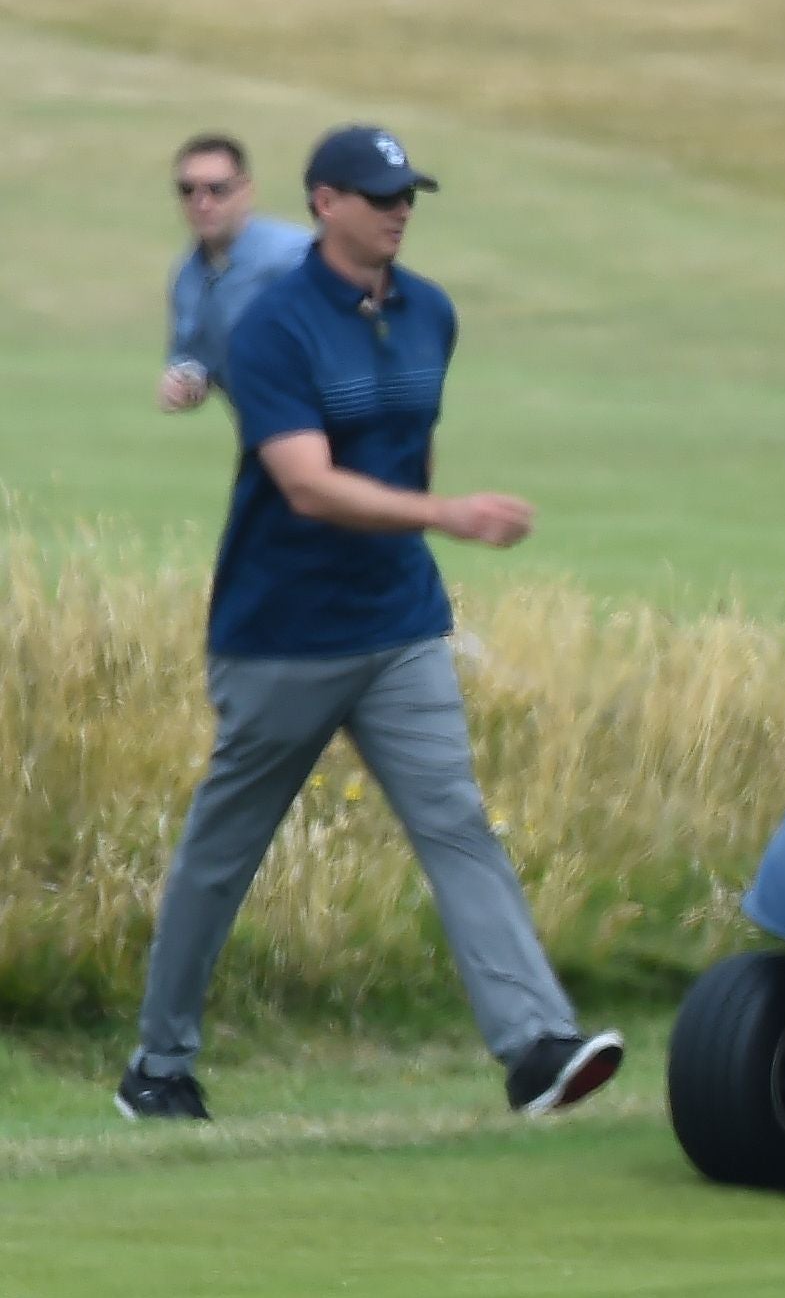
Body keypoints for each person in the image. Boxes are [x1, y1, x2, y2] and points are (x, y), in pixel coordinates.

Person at [120, 127, 622, 1126]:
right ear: (322, 202)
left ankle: (535, 1048)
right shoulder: (271, 327)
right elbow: (305, 484)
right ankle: (158, 1067)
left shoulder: (431, 310)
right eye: (379, 193)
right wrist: (448, 520)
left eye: (408, 195)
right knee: (224, 856)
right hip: (281, 634)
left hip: (399, 625)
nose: (399, 209)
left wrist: (425, 537)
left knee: (455, 822)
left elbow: (407, 446)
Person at [159, 134, 310, 416]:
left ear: (246, 190)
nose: (202, 203)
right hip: (262, 433)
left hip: (327, 432)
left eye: (217, 189)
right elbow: (193, 358)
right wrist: (185, 381)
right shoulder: (188, 277)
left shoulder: (294, 255)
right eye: (187, 190)